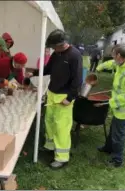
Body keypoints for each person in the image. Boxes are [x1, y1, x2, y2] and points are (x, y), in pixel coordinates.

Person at [27, 29, 83, 169]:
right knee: (50, 122)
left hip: (64, 97)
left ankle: (62, 157)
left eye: (53, 46)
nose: (52, 49)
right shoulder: (56, 53)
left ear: (61, 43)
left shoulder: (75, 56)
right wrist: (34, 72)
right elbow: (48, 69)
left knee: (62, 128)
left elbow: (77, 80)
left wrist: (70, 98)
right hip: (52, 93)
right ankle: (50, 146)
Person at [97, 44, 125, 167]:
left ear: (119, 56)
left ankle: (117, 160)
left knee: (118, 135)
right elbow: (111, 63)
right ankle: (108, 148)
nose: (112, 57)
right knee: (113, 130)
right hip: (118, 107)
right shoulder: (122, 62)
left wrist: (110, 102)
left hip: (124, 109)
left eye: (113, 54)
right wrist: (100, 67)